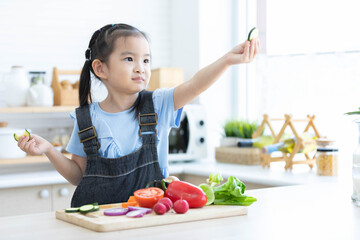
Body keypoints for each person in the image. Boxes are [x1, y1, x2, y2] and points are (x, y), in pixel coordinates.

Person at [17, 23, 259, 207]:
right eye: (129, 59)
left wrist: (228, 60)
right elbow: (79, 176)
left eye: (146, 60)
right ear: (101, 68)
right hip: (100, 227)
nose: (140, 67)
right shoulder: (85, 119)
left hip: (152, 223)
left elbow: (196, 84)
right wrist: (49, 149)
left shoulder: (159, 104)